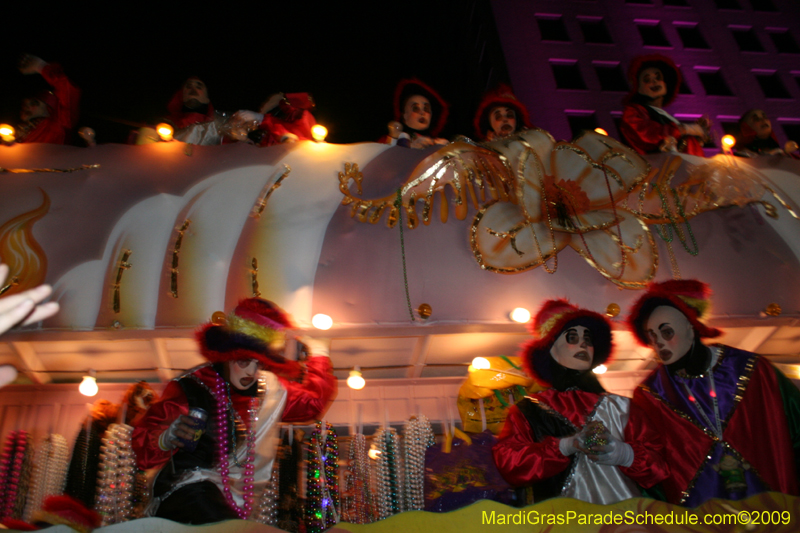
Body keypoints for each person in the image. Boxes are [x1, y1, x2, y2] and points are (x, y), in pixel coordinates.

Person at [131, 298, 336, 524]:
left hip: (235, 505)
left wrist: (319, 353)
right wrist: (166, 439)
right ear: (227, 355)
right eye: (244, 361)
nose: (252, 371)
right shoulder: (191, 388)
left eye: (259, 364)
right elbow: (142, 449)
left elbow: (313, 404)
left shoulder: (269, 390)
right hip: (186, 493)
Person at [627, 279, 800, 507]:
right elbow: (652, 472)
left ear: (691, 326)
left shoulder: (754, 371)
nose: (660, 344)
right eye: (652, 337)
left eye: (666, 332)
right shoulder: (650, 395)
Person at [492, 299, 669, 504]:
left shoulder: (624, 407)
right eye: (572, 337)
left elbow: (659, 468)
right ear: (551, 349)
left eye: (588, 338)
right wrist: (565, 446)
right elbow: (510, 463)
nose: (583, 343)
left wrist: (623, 454)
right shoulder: (527, 410)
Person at [620, 54, 708, 157]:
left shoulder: (665, 116)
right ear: (638, 88)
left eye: (658, 77)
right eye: (647, 80)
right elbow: (647, 135)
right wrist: (685, 129)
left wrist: (697, 137)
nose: (654, 81)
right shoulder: (633, 112)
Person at [15, 55, 80, 144]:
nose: (26, 107)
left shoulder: (58, 125)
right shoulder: (17, 134)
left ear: (48, 108)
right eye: (24, 103)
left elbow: (68, 90)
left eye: (34, 103)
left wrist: (40, 66)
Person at [383, 78, 449, 149]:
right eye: (415, 108)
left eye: (426, 109)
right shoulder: (394, 140)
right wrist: (410, 147)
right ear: (404, 115)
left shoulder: (438, 142)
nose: (422, 113)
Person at [233, 92, 317, 146]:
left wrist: (261, 119)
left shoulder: (302, 115)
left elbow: (297, 136)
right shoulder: (276, 104)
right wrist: (244, 139)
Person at [166, 77, 230, 145]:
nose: (193, 89)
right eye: (188, 87)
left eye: (199, 87)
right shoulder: (167, 124)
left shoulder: (217, 127)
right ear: (181, 95)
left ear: (207, 98)